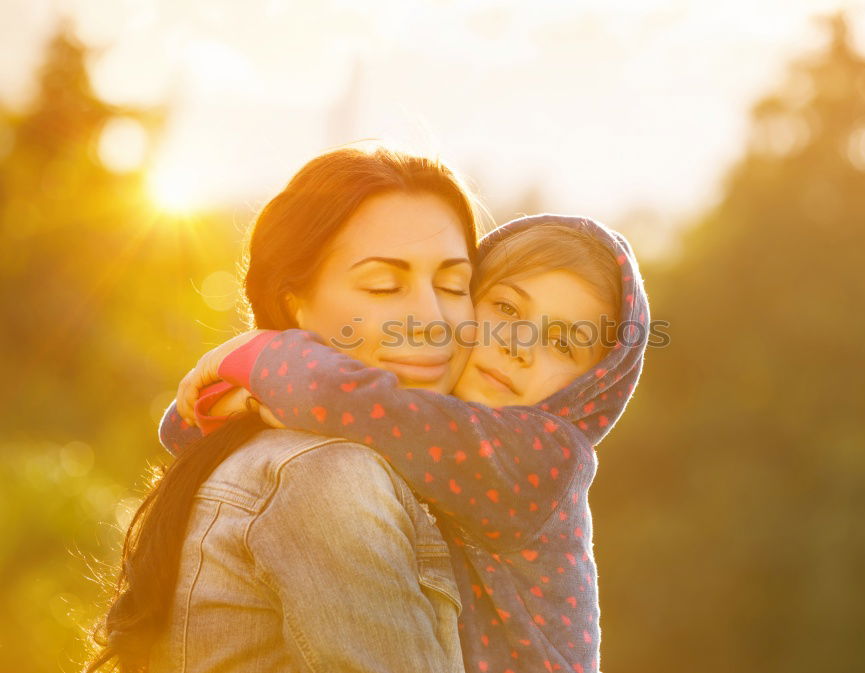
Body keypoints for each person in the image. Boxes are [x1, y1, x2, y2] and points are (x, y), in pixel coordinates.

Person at [163, 214, 651, 673]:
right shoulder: (414, 426)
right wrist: (254, 400)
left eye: (564, 344)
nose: (518, 346)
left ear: (593, 388)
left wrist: (266, 354)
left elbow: (335, 396)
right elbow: (184, 428)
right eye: (505, 308)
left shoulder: (544, 456)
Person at [86, 145, 481, 673]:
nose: (432, 318)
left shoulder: (405, 470)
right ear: (294, 301)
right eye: (385, 285)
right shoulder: (327, 476)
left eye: (455, 285)